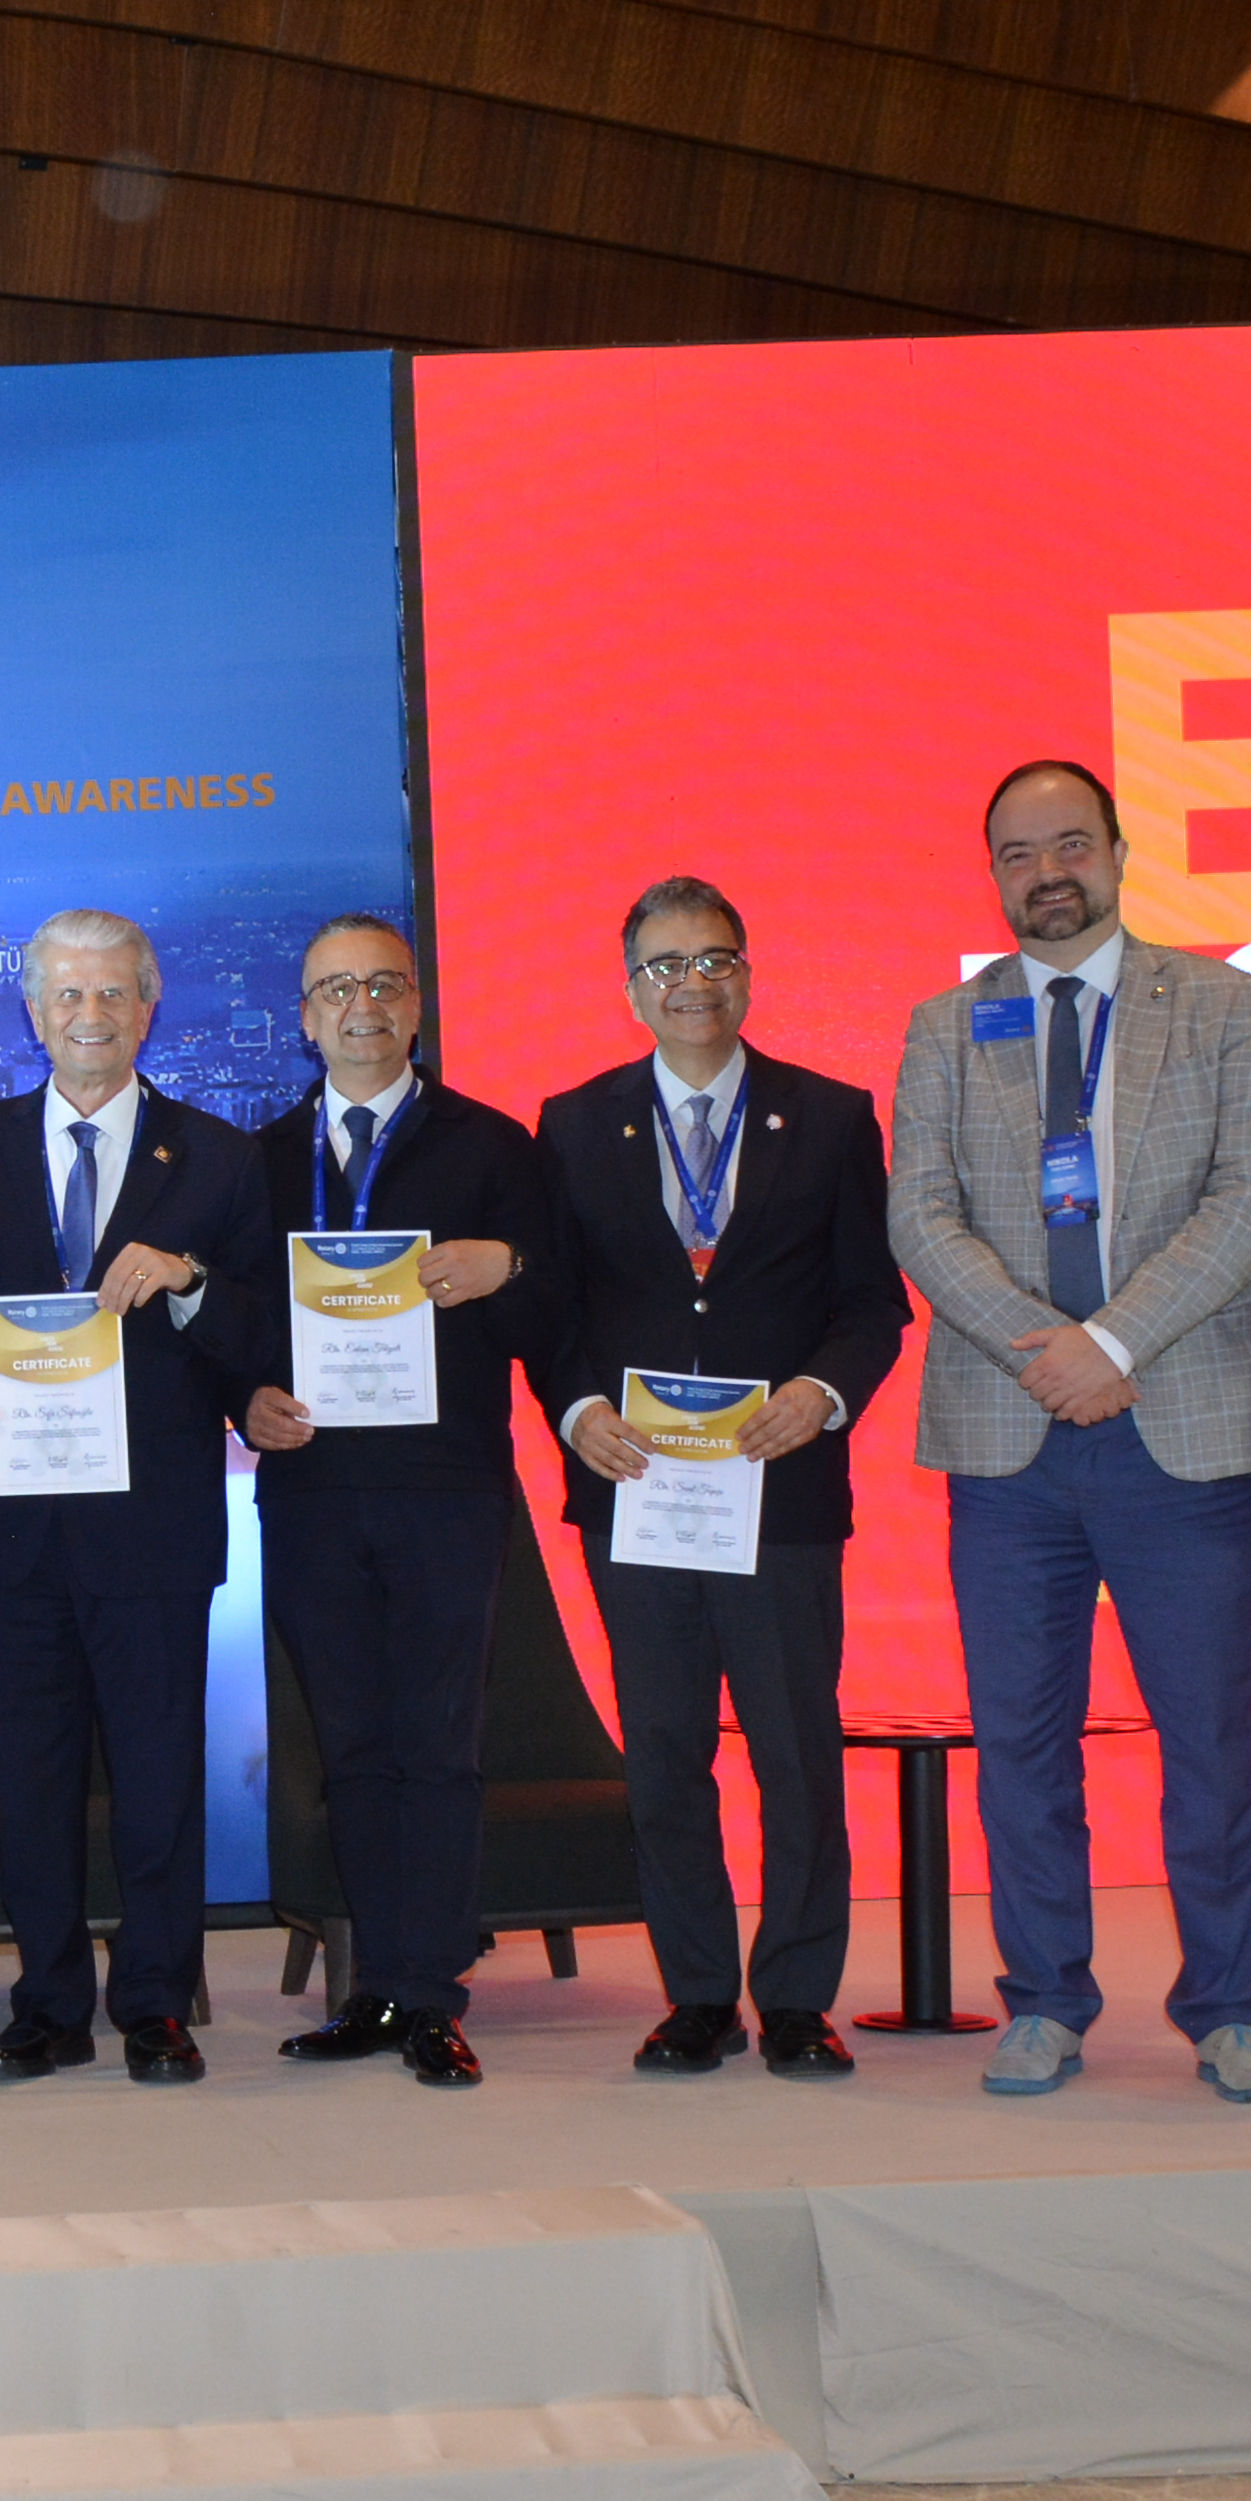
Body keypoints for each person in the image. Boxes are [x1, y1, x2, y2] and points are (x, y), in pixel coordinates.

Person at [890, 760, 1251, 2103]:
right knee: (1020, 1739)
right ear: (992, 876)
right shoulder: (947, 1026)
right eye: (1018, 854)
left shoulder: (1225, 1005)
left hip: (1181, 1422)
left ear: (1120, 854)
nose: (1046, 874)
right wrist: (1050, 1352)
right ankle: (1046, 2001)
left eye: (1071, 845)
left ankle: (1228, 2007)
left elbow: (1248, 1200)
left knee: (1211, 1737)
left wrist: (1114, 1344)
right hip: (1013, 1436)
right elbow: (921, 1218)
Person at [525, 881, 908, 2080]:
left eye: (715, 959)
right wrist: (578, 1411)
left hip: (777, 1490)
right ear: (630, 988)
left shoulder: (831, 1117)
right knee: (664, 1749)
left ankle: (795, 1994)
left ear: (748, 973)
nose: (693, 982)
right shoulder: (574, 1123)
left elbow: (872, 1304)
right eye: (667, 964)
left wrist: (823, 1393)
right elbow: (551, 1307)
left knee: (796, 1751)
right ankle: (696, 1992)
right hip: (638, 1487)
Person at [0, 908, 273, 2089]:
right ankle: (49, 2003)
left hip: (154, 1528)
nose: (90, 1015)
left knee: (160, 1774)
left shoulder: (218, 1157)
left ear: (147, 1007)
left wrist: (190, 1280)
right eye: (67, 995)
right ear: (34, 1013)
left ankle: (158, 2002)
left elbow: (259, 1332)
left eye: (113, 993)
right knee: (30, 1781)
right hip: (14, 1526)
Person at [233, 912, 548, 2088]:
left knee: (438, 1747)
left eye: (383, 985)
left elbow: (559, 1306)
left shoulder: (493, 1146)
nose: (360, 1007)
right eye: (335, 989)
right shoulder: (261, 1160)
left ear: (415, 1006)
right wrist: (243, 1398)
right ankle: (373, 1984)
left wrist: (509, 1266)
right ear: (304, 1018)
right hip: (312, 1491)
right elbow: (234, 1322)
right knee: (353, 1749)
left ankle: (433, 1992)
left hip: (444, 1491)